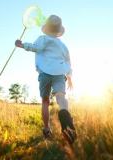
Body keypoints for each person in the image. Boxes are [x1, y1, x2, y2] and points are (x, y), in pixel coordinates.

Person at [15, 15, 77, 143]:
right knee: (61, 97)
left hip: (45, 73)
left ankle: (47, 129)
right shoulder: (63, 46)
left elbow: (35, 47)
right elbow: (68, 62)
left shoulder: (43, 39)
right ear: (58, 31)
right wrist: (69, 77)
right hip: (60, 73)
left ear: (47, 28)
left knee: (45, 101)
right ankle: (65, 115)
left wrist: (22, 45)